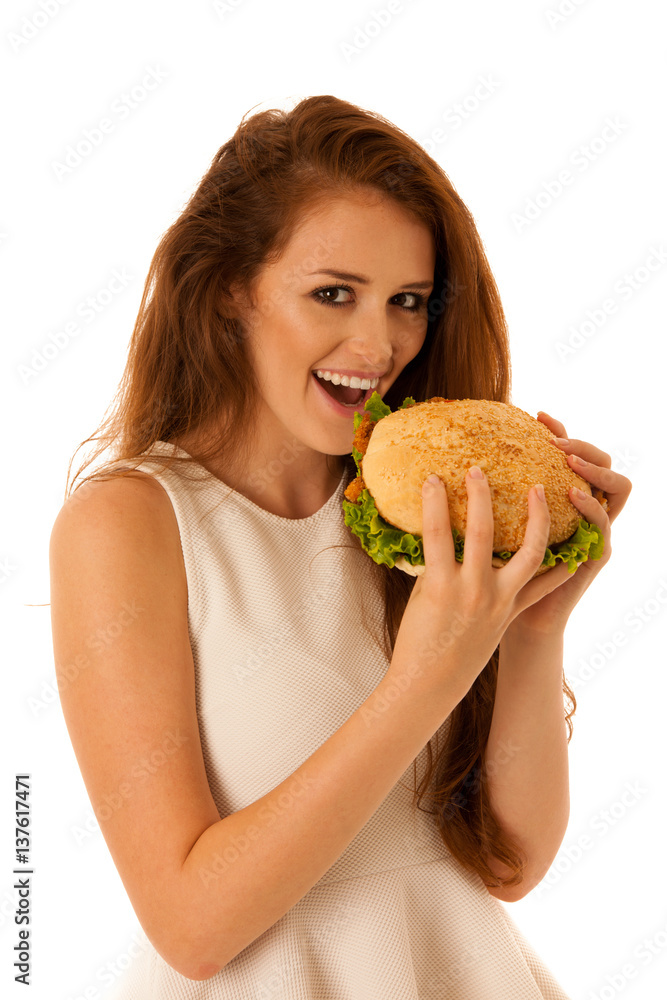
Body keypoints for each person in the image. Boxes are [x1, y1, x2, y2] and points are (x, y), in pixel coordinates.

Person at [49, 94, 632, 997]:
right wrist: (424, 676)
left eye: (407, 301)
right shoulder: (128, 523)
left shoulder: (415, 516)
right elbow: (192, 926)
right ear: (228, 290)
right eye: (333, 293)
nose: (380, 342)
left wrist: (528, 629)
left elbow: (506, 868)